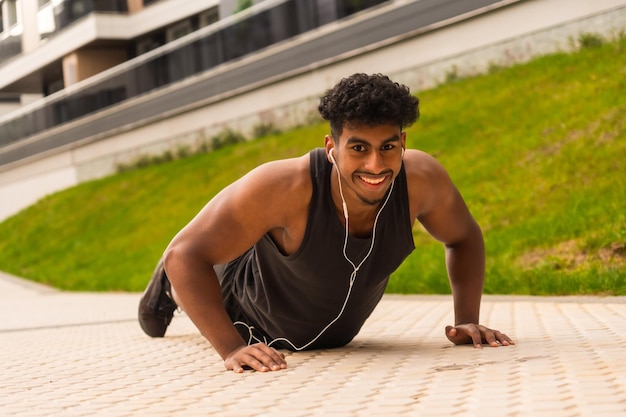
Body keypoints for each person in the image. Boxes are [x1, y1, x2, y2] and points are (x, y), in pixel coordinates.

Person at [138, 73, 514, 373]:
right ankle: (167, 288)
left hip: (330, 331)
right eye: (358, 148)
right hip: (242, 302)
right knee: (182, 267)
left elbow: (464, 236)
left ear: (402, 141)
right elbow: (186, 255)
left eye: (387, 147)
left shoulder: (421, 180)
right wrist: (231, 347)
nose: (375, 165)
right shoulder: (285, 185)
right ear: (332, 148)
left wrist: (467, 320)